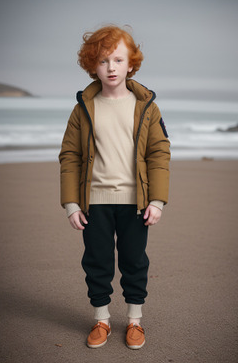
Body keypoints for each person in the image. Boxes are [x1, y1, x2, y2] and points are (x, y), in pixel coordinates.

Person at [59, 25, 170, 349]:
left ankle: (134, 321)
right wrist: (71, 203)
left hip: (135, 202)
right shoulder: (83, 108)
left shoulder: (146, 106)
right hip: (93, 201)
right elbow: (70, 155)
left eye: (118, 60)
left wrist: (158, 201)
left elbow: (159, 152)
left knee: (135, 260)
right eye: (104, 60)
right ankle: (102, 319)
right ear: (92, 64)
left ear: (131, 64)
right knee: (97, 261)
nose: (111, 68)